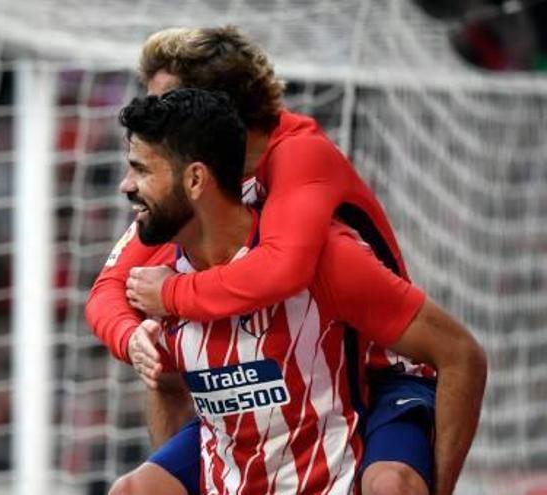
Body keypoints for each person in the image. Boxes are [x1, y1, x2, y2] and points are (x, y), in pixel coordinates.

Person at [85, 26, 469, 495]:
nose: (156, 120)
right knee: (147, 436)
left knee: (391, 483)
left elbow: (284, 270)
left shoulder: (298, 157)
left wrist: (169, 294)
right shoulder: (189, 203)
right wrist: (133, 338)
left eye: (168, 105)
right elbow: (109, 288)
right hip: (274, 376)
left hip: (370, 374)